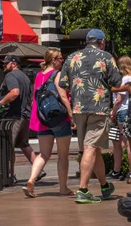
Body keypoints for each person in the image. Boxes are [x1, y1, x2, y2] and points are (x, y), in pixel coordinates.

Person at [59, 29, 126, 204]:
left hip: (79, 109)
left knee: (93, 148)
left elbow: (63, 83)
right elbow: (117, 81)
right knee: (90, 148)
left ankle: (104, 186)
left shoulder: (72, 57)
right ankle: (83, 190)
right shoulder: (106, 57)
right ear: (102, 42)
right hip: (98, 108)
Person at [23, 49, 74, 198]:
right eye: (60, 58)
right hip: (59, 118)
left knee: (43, 154)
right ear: (53, 60)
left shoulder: (39, 76)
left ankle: (31, 180)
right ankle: (63, 188)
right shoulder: (57, 75)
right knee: (63, 156)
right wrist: (71, 115)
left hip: (42, 119)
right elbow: (63, 97)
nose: (62, 60)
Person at [0, 55, 42, 182]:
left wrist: (0, 103)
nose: (4, 66)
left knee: (7, 145)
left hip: (14, 116)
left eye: (6, 63)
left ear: (14, 64)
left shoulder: (11, 76)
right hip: (26, 115)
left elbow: (14, 92)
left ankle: (10, 175)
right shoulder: (25, 77)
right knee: (23, 143)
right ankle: (38, 170)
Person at [108, 56, 131, 181]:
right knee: (118, 140)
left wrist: (113, 112)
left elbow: (119, 98)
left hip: (122, 111)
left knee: (125, 142)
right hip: (122, 112)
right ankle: (117, 170)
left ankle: (121, 170)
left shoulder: (126, 78)